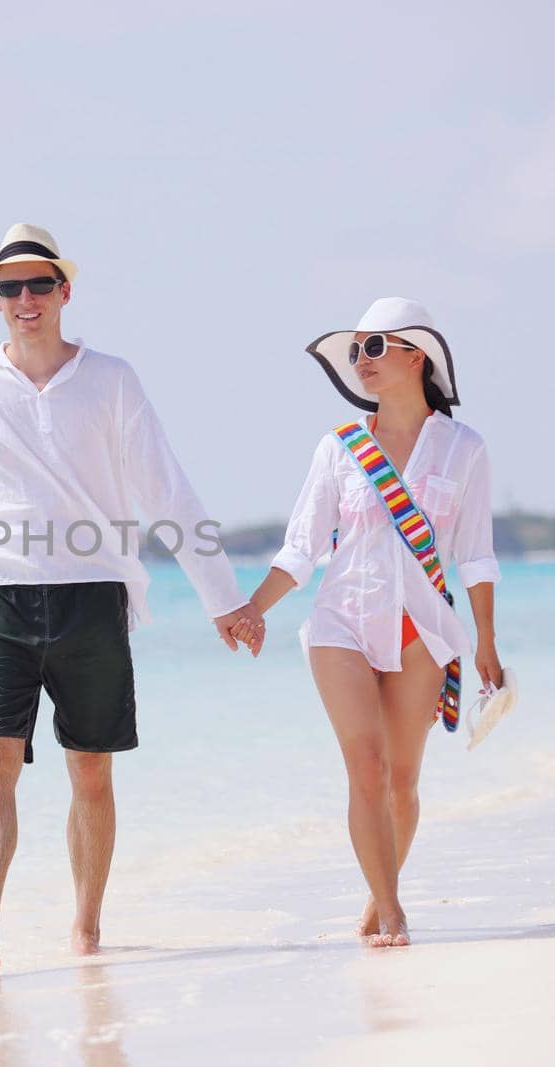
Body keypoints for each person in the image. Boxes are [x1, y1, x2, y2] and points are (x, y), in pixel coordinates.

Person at [0, 223, 263, 971]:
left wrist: (224, 599)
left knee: (91, 771)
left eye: (39, 283)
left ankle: (86, 925)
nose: (25, 298)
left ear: (64, 291)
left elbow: (164, 487)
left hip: (92, 597)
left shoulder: (112, 379)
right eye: (9, 286)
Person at [232, 297, 504, 947]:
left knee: (403, 782)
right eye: (355, 351)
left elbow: (475, 553)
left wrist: (487, 639)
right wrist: (250, 610)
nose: (361, 361)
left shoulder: (464, 449)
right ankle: (392, 910)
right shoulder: (340, 448)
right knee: (367, 765)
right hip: (342, 621)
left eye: (375, 347)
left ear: (418, 355)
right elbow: (301, 549)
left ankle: (379, 891)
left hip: (422, 628)